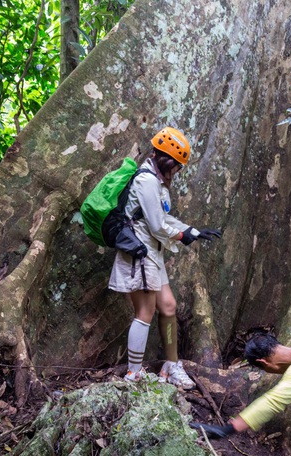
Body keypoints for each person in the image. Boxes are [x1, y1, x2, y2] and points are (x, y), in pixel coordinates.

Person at [109, 127, 222, 389]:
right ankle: (134, 375)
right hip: (139, 255)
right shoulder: (146, 181)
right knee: (144, 312)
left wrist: (192, 230)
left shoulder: (157, 182)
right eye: (177, 166)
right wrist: (182, 236)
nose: (178, 172)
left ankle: (171, 366)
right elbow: (157, 225)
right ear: (167, 161)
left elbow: (162, 218)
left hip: (153, 256)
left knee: (168, 306)